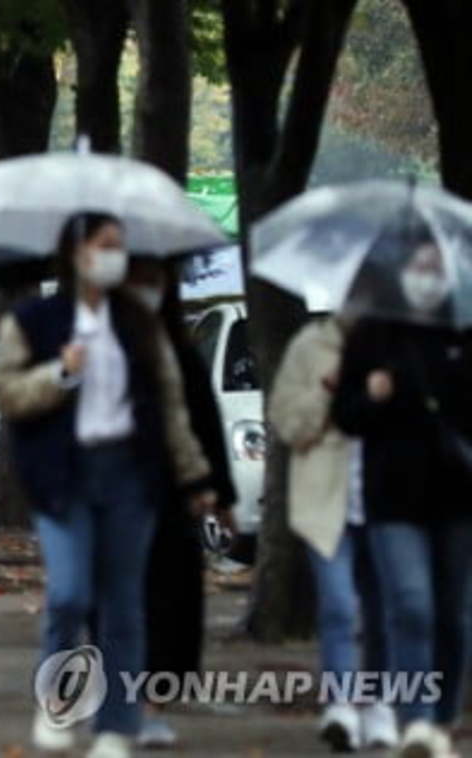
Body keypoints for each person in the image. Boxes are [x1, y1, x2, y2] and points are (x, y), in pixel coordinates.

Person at [0, 214, 216, 758]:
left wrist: (194, 476)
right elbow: (5, 391)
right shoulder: (35, 321)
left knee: (123, 605)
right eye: (104, 246)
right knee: (69, 595)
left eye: (120, 247)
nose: (114, 256)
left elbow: (170, 405)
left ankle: (117, 726)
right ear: (76, 252)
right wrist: (60, 374)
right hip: (65, 475)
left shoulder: (139, 323)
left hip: (130, 477)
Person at [332, 236, 472, 758]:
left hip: (457, 495)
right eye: (419, 266)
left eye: (437, 267)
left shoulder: (460, 331)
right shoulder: (373, 336)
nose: (427, 276)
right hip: (393, 494)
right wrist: (370, 395)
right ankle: (414, 720)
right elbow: (345, 415)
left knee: (453, 614)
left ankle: (441, 716)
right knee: (409, 605)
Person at [123, 257, 238, 749]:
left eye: (157, 278)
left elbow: (203, 423)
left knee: (170, 596)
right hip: (113, 489)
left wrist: (218, 493)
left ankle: (151, 703)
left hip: (170, 491)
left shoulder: (178, 350)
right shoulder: (100, 343)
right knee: (121, 599)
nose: (149, 288)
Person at [269, 313, 396, 752]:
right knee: (339, 606)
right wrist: (326, 391)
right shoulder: (309, 346)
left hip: (385, 502)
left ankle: (379, 705)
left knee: (381, 613)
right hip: (326, 505)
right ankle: (340, 706)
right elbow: (287, 423)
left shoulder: (395, 347)